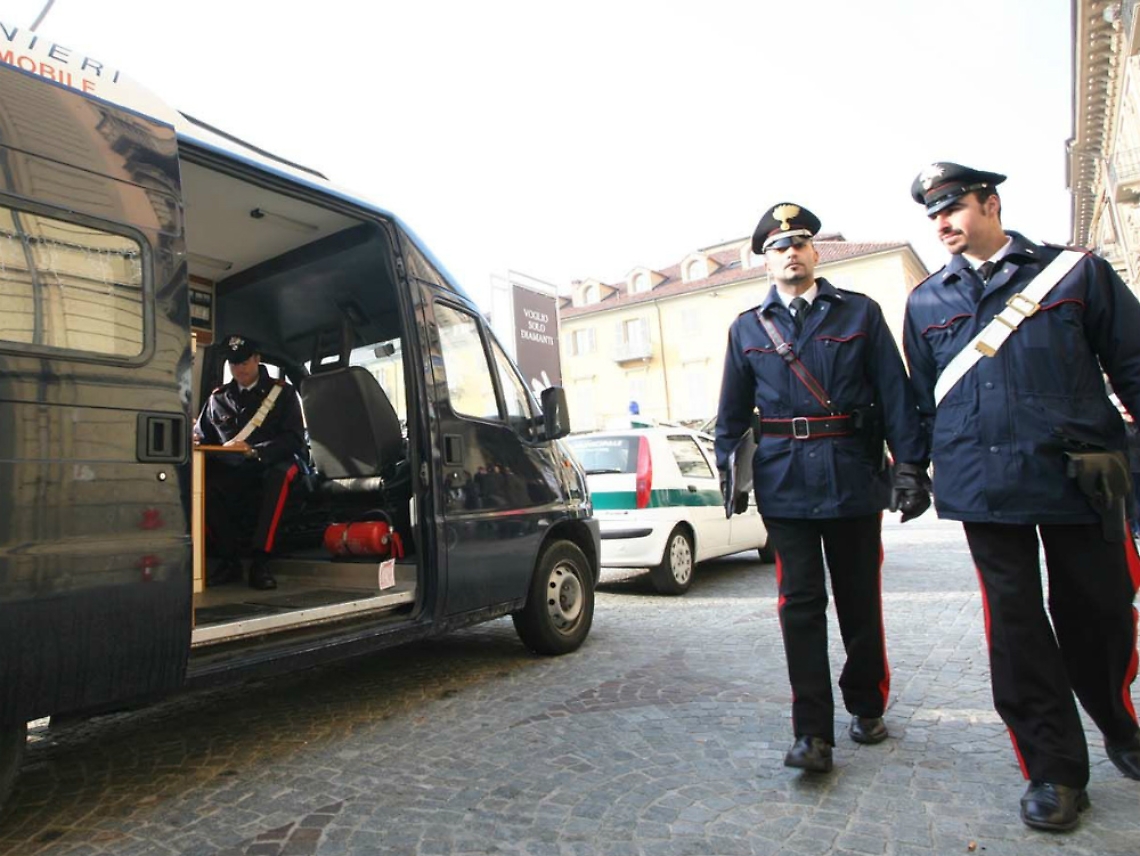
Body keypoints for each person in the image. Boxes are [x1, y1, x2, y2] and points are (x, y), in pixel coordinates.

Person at [903, 162, 1140, 832]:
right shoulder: (926, 301)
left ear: (991, 202)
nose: (943, 223)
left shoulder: (1074, 272)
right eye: (933, 215)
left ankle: (1119, 723)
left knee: (1100, 613)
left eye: (953, 208)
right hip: (984, 485)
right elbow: (922, 398)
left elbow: (1132, 359)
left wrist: (1132, 452)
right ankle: (1055, 770)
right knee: (1017, 631)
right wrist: (913, 469)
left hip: (1078, 475)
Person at [715, 202, 931, 775]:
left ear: (815, 253)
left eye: (800, 243)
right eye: (778, 247)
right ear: (764, 261)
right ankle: (812, 733)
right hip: (785, 485)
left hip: (854, 477)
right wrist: (727, 474)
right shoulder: (746, 328)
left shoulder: (859, 314)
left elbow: (895, 393)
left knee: (859, 601)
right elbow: (732, 415)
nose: (790, 252)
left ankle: (866, 705)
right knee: (800, 608)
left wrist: (909, 467)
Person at [194, 334, 306, 590]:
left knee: (280, 477)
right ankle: (229, 561)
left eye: (244, 362)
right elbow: (202, 436)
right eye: (233, 364)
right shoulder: (217, 399)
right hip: (234, 468)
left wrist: (255, 450)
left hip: (270, 462)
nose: (239, 369)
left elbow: (293, 439)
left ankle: (261, 561)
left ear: (256, 359)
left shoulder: (283, 393)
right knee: (205, 485)